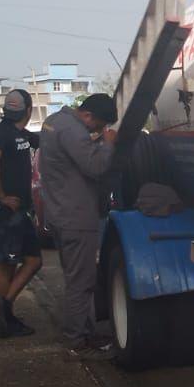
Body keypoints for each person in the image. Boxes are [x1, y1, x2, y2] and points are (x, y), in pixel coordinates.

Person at [39, 94, 118, 352]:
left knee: (76, 278)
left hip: (59, 213)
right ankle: (77, 340)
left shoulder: (54, 121)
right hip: (76, 216)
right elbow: (96, 166)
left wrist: (93, 141)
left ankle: (85, 333)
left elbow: (69, 158)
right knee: (81, 283)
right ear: (88, 115)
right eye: (99, 125)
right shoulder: (73, 130)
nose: (98, 130)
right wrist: (107, 144)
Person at [0, 89, 43, 338]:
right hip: (5, 210)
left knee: (33, 260)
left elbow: (44, 140)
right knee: (6, 265)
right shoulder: (1, 132)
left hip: (19, 211)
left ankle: (4, 307)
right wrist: (1, 195)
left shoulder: (22, 134)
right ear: (29, 110)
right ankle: (4, 317)